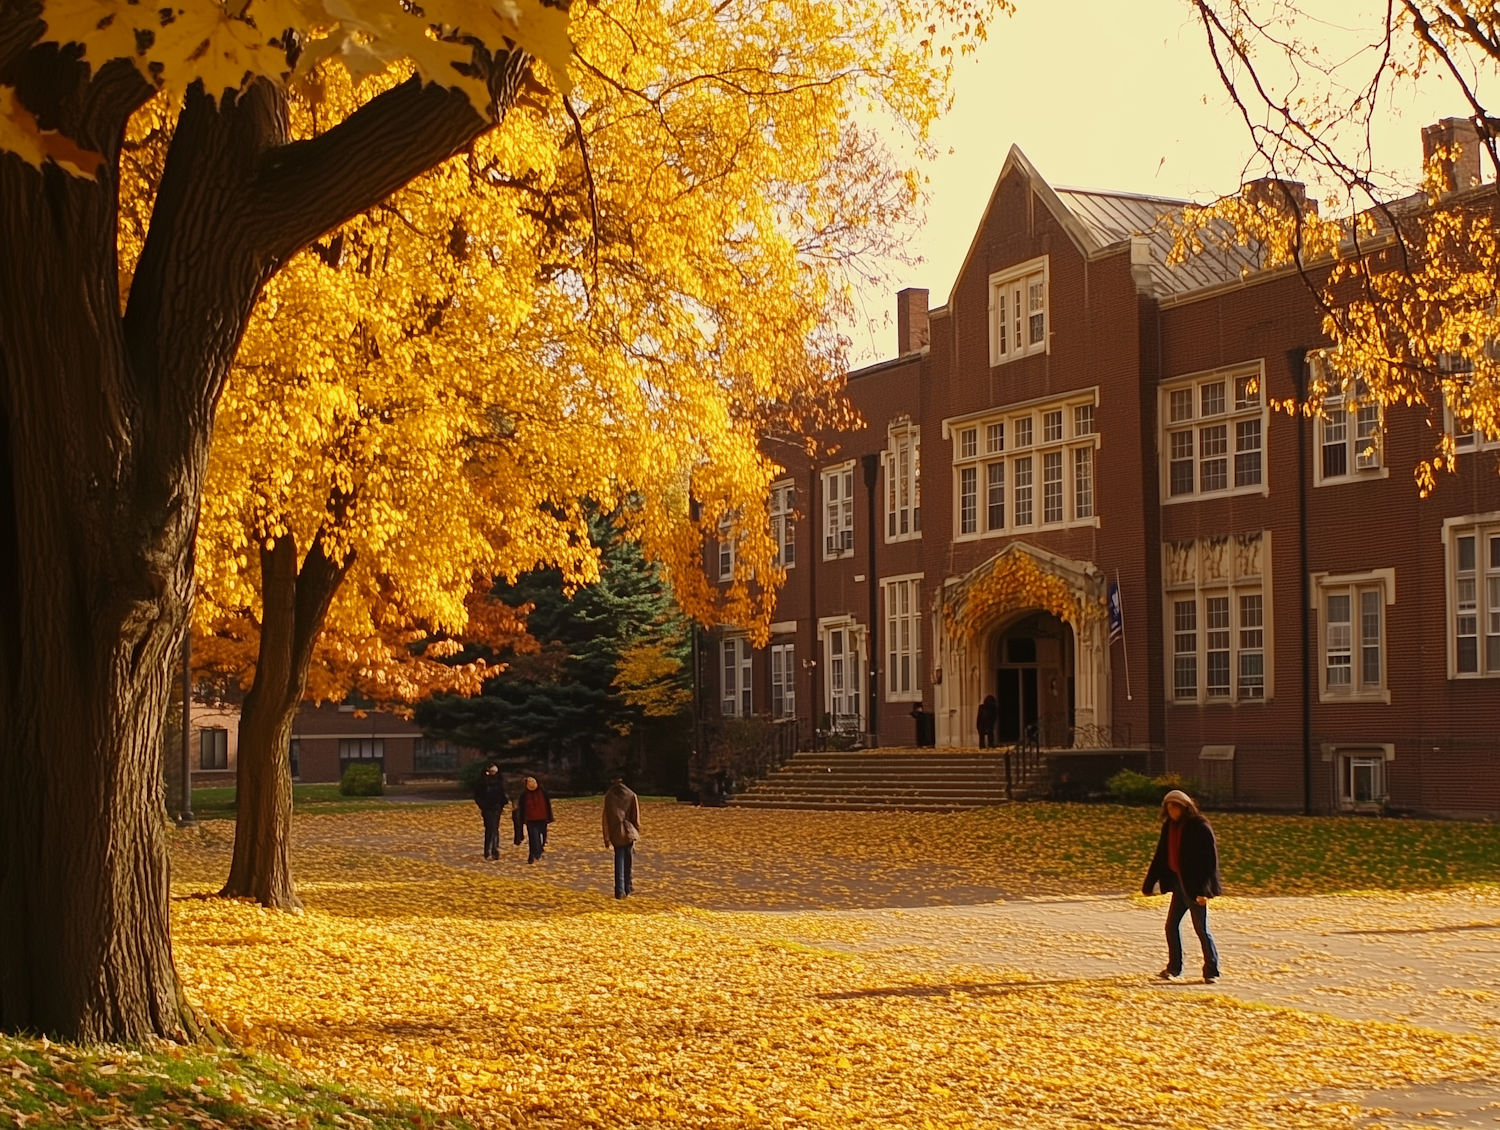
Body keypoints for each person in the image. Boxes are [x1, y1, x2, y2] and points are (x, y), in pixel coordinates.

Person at [1141, 788, 1223, 984]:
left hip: (1196, 888)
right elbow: (1161, 855)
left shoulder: (1199, 826)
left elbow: (1209, 861)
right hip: (1179, 886)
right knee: (1171, 926)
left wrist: (1204, 891)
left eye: (1175, 807)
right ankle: (1174, 968)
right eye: (1169, 808)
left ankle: (1211, 971)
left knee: (1201, 929)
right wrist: (1149, 883)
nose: (1172, 811)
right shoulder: (1169, 826)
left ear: (1184, 807)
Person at [601, 776, 641, 898]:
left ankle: (620, 889)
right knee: (628, 861)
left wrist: (606, 837)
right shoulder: (631, 795)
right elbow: (635, 815)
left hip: (616, 832)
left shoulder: (609, 797)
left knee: (619, 861)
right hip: (629, 831)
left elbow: (605, 819)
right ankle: (628, 887)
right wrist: (637, 829)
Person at [471, 762, 509, 861]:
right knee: (490, 828)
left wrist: (502, 804)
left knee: (494, 828)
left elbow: (502, 792)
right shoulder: (483, 782)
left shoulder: (499, 780)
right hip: (487, 808)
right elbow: (477, 795)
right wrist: (482, 805)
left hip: (497, 807)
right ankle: (488, 850)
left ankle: (494, 849)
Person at [519, 776, 554, 863]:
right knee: (533, 836)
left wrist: (549, 817)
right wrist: (522, 819)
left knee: (542, 835)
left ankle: (538, 850)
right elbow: (522, 808)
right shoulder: (524, 795)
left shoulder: (543, 792)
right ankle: (534, 854)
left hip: (542, 817)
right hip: (531, 819)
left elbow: (547, 805)